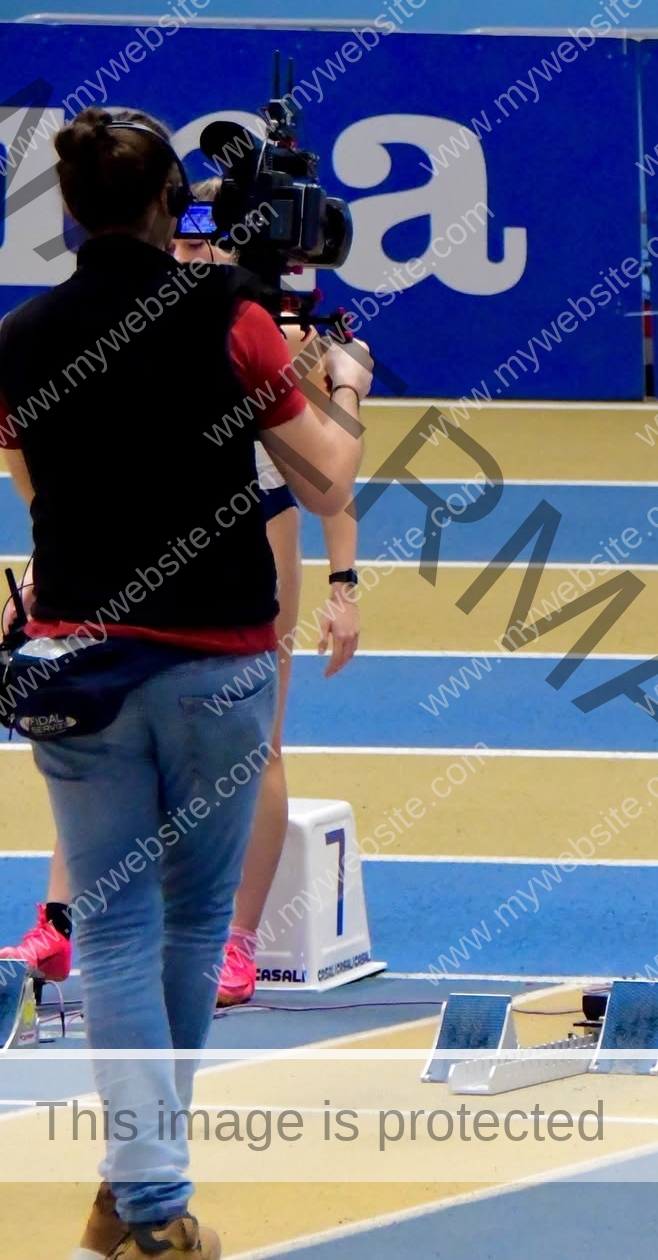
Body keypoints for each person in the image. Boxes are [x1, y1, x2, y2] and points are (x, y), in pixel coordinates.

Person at [0, 107, 364, 1258]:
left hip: (77, 658)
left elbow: (24, 473)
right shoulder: (231, 319)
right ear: (174, 206)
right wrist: (339, 382)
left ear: (70, 213)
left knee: (107, 931)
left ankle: (135, 1187)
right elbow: (324, 480)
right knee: (194, 926)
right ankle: (153, 1202)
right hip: (215, 654)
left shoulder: (24, 333)